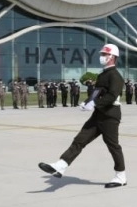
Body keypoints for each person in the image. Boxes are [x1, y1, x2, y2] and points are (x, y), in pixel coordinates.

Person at [38, 44, 127, 188]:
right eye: (102, 54)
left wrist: (95, 104)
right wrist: (87, 102)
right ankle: (61, 165)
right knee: (80, 139)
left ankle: (120, 176)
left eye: (105, 54)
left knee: (113, 146)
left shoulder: (115, 76)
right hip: (98, 114)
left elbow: (112, 96)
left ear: (112, 57)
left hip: (110, 115)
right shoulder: (102, 74)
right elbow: (97, 92)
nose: (102, 56)